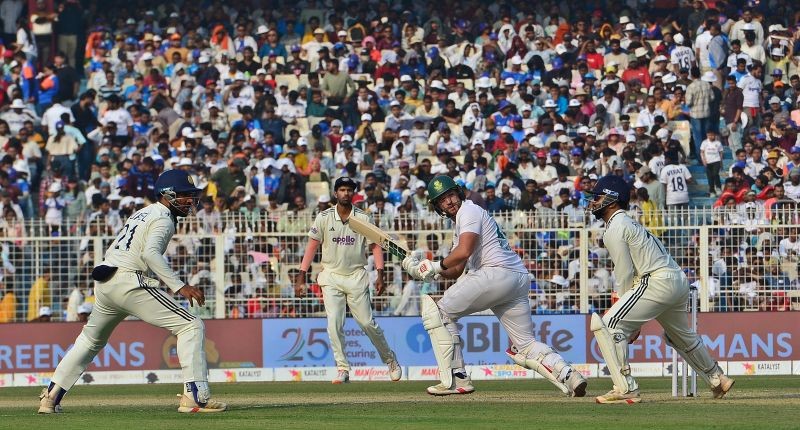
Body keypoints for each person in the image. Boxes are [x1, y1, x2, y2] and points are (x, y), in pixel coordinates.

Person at [38, 169, 227, 414]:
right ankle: (195, 397)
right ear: (167, 195)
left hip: (106, 282)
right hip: (129, 281)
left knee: (89, 341)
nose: (190, 201)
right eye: (184, 195)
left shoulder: (143, 212)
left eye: (191, 196)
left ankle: (50, 398)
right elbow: (150, 253)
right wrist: (180, 286)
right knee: (191, 325)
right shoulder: (163, 217)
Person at [401, 175, 587, 396]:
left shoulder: (468, 211)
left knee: (439, 313)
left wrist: (434, 265)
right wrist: (425, 271)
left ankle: (456, 379)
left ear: (458, 193)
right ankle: (569, 375)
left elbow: (464, 252)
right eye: (443, 199)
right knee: (525, 345)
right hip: (516, 279)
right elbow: (457, 269)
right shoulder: (460, 222)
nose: (449, 201)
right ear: (437, 206)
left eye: (450, 195)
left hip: (496, 273)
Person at [584, 175, 735, 404]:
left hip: (656, 280)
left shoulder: (615, 226)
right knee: (679, 336)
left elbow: (624, 273)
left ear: (612, 200)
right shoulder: (631, 223)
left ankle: (625, 387)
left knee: (608, 324)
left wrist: (620, 307)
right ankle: (717, 378)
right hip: (676, 280)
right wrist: (631, 318)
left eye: (597, 197)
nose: (593, 202)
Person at [294, 176, 402, 384]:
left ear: (353, 194)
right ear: (336, 193)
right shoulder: (324, 217)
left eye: (349, 190)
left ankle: (390, 359)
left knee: (367, 323)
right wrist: (301, 277)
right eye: (342, 190)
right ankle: (342, 368)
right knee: (334, 323)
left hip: (356, 276)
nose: (345, 193)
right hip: (331, 276)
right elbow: (311, 247)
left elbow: (375, 246)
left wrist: (380, 274)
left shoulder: (363, 218)